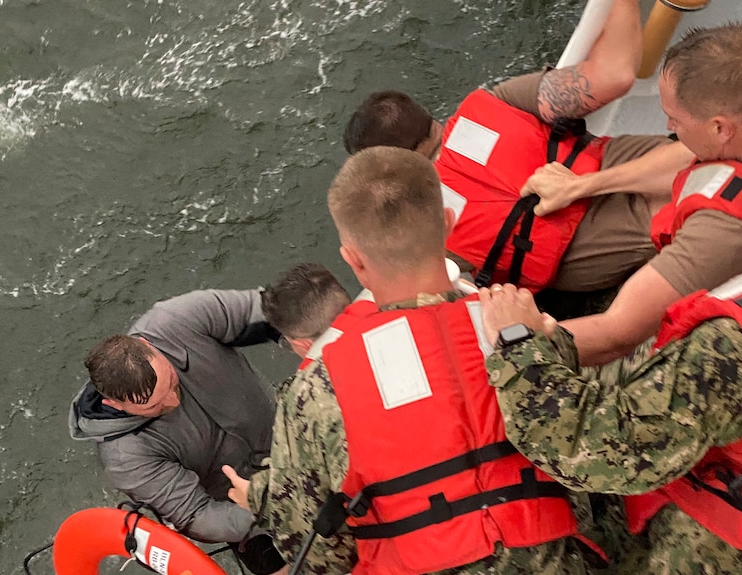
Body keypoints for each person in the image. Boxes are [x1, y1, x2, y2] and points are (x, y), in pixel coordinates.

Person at [225, 147, 603, 575]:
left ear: (353, 260)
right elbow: (583, 458)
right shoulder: (531, 331)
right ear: (448, 223)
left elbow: (319, 555)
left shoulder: (315, 393)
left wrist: (262, 494)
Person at [477, 213, 742, 573]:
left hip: (730, 549)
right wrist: (554, 348)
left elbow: (598, 450)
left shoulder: (740, 344)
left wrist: (518, 342)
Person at [343, 0, 692, 303]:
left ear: (390, 168)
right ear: (428, 116)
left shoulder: (428, 219)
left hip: (591, 254)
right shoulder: (497, 102)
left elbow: (451, 293)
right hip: (635, 164)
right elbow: (615, 74)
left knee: (692, 209)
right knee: (705, 173)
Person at [525, 24, 742, 365]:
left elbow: (615, 333)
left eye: (674, 120)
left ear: (720, 127)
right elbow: (686, 156)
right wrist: (582, 185)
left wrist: (513, 342)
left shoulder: (727, 233)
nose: (668, 128)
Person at [68, 288, 286, 575]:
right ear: (114, 404)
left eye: (171, 381)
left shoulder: (178, 320)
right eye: (154, 406)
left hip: (292, 439)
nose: (173, 401)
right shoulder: (125, 456)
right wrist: (278, 510)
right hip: (243, 510)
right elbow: (197, 515)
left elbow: (274, 308)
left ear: (148, 344)